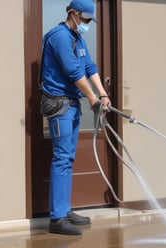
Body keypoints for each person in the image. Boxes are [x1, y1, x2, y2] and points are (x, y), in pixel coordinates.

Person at [40, 0, 111, 235]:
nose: (87, 23)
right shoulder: (59, 36)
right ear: (73, 13)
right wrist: (91, 97)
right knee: (61, 158)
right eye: (86, 19)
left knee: (68, 158)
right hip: (59, 105)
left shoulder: (77, 37)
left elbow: (89, 67)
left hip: (71, 104)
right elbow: (73, 72)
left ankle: (65, 210)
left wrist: (102, 94)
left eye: (90, 20)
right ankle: (57, 219)